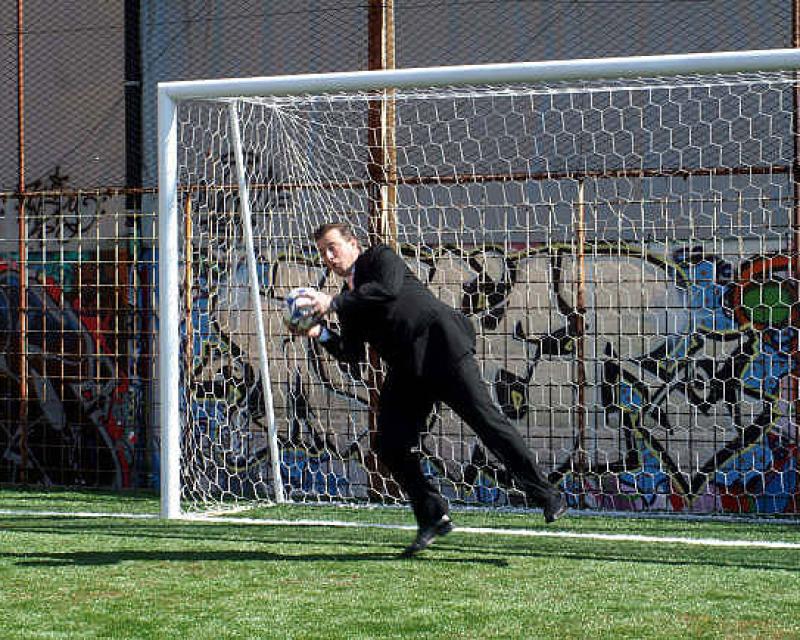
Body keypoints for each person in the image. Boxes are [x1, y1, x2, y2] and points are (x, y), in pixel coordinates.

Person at [294, 222, 567, 556]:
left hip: (442, 348)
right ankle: (433, 515)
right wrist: (319, 333)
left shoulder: (380, 258)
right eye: (322, 251)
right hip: (408, 369)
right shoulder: (348, 301)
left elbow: (389, 289)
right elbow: (352, 354)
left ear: (353, 243)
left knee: (487, 423)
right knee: (390, 445)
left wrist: (333, 303)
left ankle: (547, 494)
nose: (328, 256)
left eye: (332, 246)